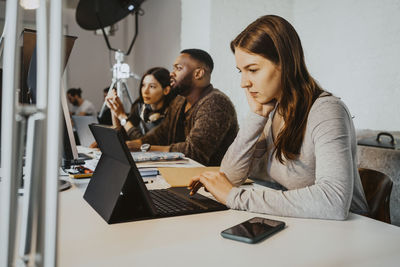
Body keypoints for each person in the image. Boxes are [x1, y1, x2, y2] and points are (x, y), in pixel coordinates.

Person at [188, 15, 369, 220]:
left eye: (253, 70)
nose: (243, 83)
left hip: (350, 229)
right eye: (241, 71)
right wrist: (256, 116)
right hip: (305, 224)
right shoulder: (272, 108)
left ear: (285, 63)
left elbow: (333, 201)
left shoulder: (327, 111)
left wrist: (236, 197)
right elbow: (230, 177)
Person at [126, 49, 239, 166]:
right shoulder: (180, 101)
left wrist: (145, 149)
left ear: (198, 73)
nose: (171, 73)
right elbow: (161, 135)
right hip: (187, 173)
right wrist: (131, 145)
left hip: (214, 178)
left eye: (178, 68)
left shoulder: (216, 103)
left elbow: (193, 152)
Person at [106, 67, 174, 139]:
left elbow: (143, 143)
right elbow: (124, 135)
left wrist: (122, 116)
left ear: (166, 90)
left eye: (152, 86)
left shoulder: (172, 113)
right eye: (143, 85)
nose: (145, 91)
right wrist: (113, 108)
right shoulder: (140, 106)